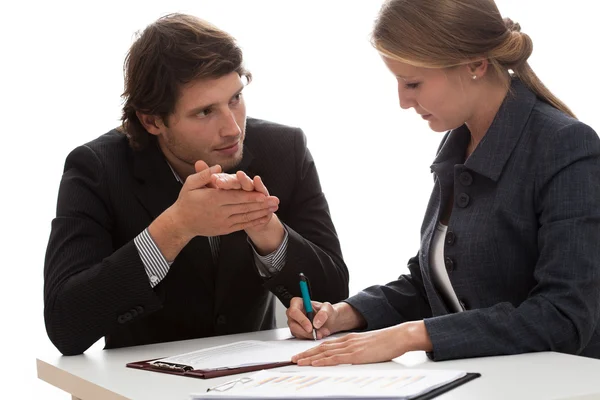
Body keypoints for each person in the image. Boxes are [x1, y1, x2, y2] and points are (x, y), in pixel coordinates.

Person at [287, 0, 600, 365]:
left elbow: (563, 316)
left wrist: (410, 335)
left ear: (475, 65)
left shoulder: (566, 146)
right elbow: (436, 283)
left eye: (413, 83)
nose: (403, 101)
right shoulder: (460, 144)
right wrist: (348, 313)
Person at [44, 13, 349, 356]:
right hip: (138, 385)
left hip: (257, 380)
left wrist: (266, 228)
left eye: (235, 98)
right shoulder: (96, 168)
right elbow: (64, 325)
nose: (233, 129)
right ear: (152, 119)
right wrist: (175, 228)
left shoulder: (284, 150)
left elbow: (335, 298)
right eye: (205, 112)